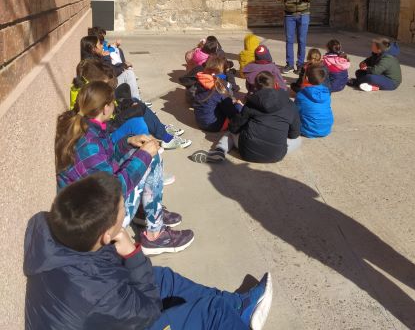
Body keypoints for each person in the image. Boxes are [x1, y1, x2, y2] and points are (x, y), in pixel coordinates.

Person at [24, 172, 273, 330]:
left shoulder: (48, 225)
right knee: (211, 313)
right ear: (106, 235)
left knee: (161, 277)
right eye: (123, 210)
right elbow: (149, 311)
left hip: (88, 305)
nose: (126, 212)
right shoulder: (101, 296)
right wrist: (132, 254)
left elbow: (99, 267)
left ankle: (237, 306)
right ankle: (228, 315)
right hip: (114, 313)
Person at [55, 81, 194, 255]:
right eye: (113, 103)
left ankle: (147, 212)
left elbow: (105, 158)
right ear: (106, 108)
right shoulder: (89, 144)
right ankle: (155, 234)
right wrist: (144, 156)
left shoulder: (87, 127)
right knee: (150, 158)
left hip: (88, 207)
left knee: (145, 154)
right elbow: (113, 189)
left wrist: (128, 141)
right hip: (93, 225)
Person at [191, 72, 301, 164]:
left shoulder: (251, 103)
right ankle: (275, 146)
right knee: (298, 140)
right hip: (276, 155)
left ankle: (220, 150)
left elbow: (234, 128)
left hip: (247, 152)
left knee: (230, 133)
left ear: (256, 88)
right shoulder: (290, 104)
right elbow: (294, 134)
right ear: (276, 85)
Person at [273, 0, 318, 74]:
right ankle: (289, 64)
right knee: (289, 40)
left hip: (304, 14)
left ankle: (300, 65)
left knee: (302, 40)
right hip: (289, 15)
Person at [192, 57, 242, 132]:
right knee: (239, 109)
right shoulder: (220, 88)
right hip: (214, 125)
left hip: (200, 121)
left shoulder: (200, 80)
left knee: (217, 102)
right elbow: (232, 113)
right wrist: (238, 104)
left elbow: (218, 75)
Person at [295, 64, 333, 138]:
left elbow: (295, 111)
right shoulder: (326, 93)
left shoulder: (301, 95)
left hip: (307, 130)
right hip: (326, 129)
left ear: (306, 78)